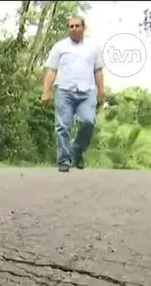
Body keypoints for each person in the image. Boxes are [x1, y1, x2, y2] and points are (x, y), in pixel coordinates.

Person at [41, 16, 105, 172]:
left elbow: (98, 71)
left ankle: (76, 151)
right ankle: (64, 160)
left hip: (87, 92)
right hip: (64, 91)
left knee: (89, 122)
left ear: (84, 28)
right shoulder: (59, 47)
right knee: (62, 126)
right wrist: (46, 91)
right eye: (71, 26)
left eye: (77, 26)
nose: (74, 28)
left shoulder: (93, 47)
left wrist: (101, 92)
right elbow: (51, 70)